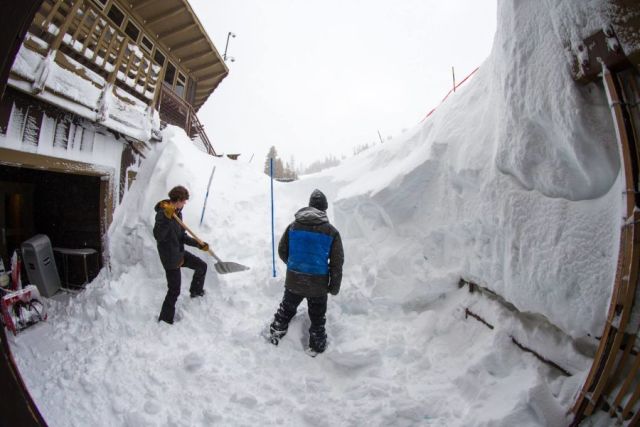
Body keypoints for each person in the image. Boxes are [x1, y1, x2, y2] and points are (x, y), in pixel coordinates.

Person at [269, 189, 344, 354]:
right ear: (324, 209)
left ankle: (276, 333)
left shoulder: (293, 226)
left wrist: (295, 266)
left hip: (294, 281)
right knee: (317, 319)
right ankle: (316, 347)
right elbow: (337, 263)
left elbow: (282, 250)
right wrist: (334, 286)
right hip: (318, 285)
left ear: (310, 206)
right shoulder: (331, 232)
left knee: (286, 309)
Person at [153, 185, 209, 324]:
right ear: (177, 200)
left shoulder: (177, 213)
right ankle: (165, 320)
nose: (185, 204)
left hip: (179, 253)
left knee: (202, 266)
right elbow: (158, 236)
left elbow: (181, 236)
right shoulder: (163, 214)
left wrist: (198, 244)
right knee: (174, 290)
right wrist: (167, 218)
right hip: (170, 259)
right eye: (183, 201)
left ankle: (196, 292)